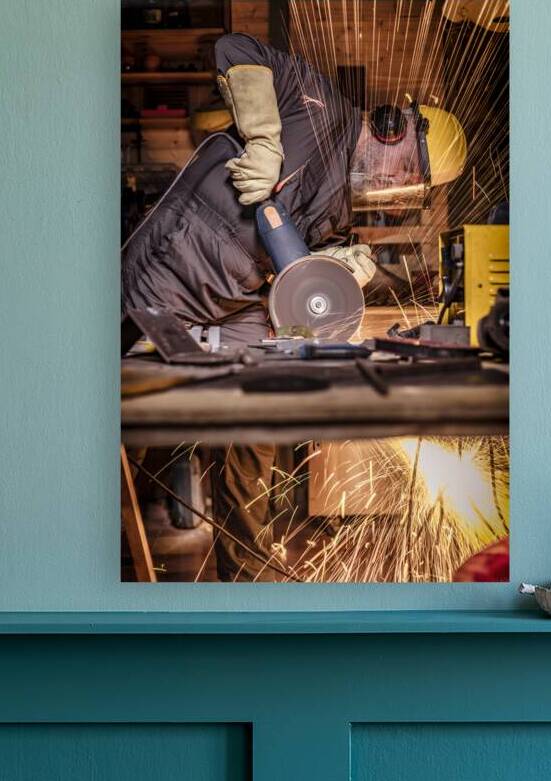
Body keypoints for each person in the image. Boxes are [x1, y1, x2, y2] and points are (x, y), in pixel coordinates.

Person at [122, 33, 466, 581]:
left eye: (410, 184)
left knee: (257, 415)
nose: (396, 185)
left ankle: (247, 577)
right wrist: (262, 140)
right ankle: (72, 557)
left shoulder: (340, 200)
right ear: (395, 129)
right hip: (169, 272)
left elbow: (297, 277)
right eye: (406, 171)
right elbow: (235, 48)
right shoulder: (316, 100)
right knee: (128, 419)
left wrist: (340, 265)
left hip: (236, 302)